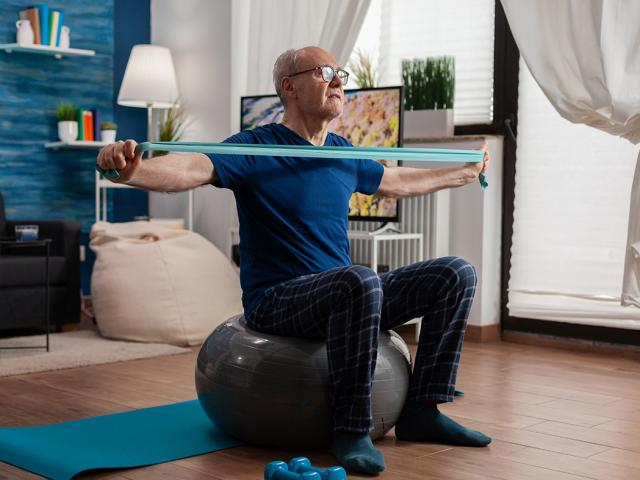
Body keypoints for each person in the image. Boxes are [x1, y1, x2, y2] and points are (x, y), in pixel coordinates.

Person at [97, 46, 491, 475]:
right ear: (289, 86)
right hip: (278, 300)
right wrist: (129, 172)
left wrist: (463, 173)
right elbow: (190, 168)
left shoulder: (342, 152)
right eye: (326, 73)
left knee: (455, 273)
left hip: (345, 294)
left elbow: (393, 181)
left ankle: (422, 411)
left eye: (340, 73)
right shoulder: (257, 147)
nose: (339, 81)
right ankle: (351, 427)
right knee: (358, 280)